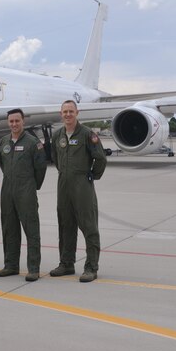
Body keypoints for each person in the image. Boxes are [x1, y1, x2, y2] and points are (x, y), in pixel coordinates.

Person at [50, 100, 107, 283]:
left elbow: (100, 158)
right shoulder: (57, 135)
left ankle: (91, 267)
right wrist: (66, 173)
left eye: (71, 111)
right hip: (63, 185)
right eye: (65, 111)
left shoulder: (87, 135)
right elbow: (55, 158)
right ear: (61, 113)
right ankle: (66, 263)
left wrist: (91, 176)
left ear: (77, 113)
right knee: (65, 225)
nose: (68, 114)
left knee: (88, 226)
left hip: (82, 185)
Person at [0, 108, 46, 281]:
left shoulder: (33, 143)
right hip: (7, 191)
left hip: (26, 191)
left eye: (17, 121)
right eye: (11, 121)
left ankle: (33, 268)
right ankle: (11, 265)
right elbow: (2, 163)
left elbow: (41, 168)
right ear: (8, 122)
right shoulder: (3, 142)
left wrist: (32, 186)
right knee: (9, 229)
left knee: (31, 230)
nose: (14, 124)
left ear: (23, 122)